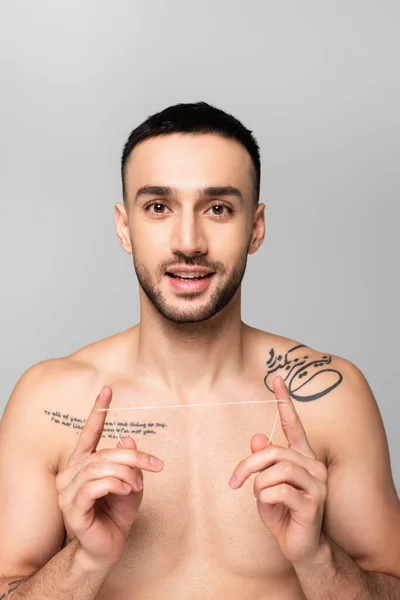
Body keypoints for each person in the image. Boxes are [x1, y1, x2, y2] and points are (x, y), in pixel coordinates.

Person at [0, 102, 399, 600]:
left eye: (218, 208)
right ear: (125, 227)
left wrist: (318, 558)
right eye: (159, 207)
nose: (189, 242)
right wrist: (85, 561)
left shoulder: (331, 397)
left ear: (255, 227)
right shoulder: (49, 402)